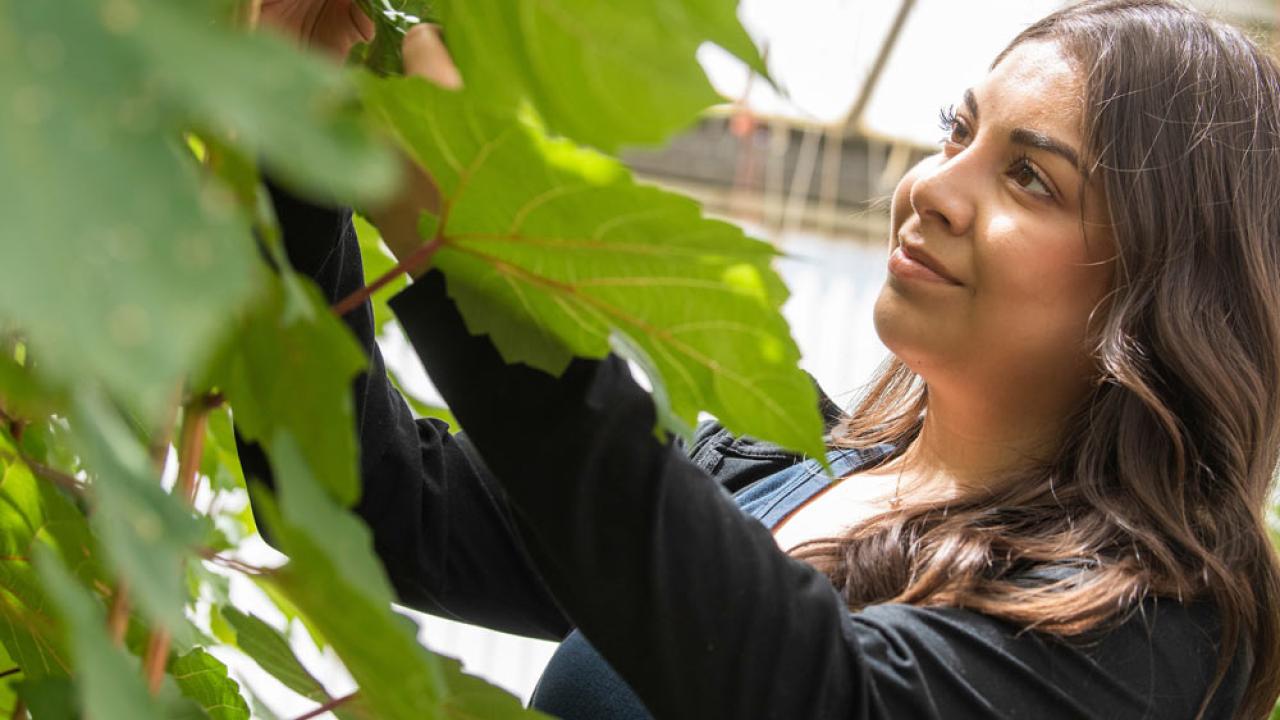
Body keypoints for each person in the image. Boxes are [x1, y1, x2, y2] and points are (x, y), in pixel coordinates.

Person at [249, 0, 1280, 717]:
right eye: (953, 133)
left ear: (1161, 291)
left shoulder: (1150, 631)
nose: (930, 187)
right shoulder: (782, 467)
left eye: (1030, 179)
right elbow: (377, 506)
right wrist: (289, 140)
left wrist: (459, 233)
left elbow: (806, 695)